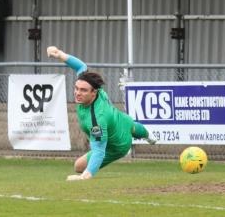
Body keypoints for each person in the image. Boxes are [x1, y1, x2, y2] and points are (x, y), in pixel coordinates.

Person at [46, 46, 157, 181]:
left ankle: (147, 135)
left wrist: (85, 176)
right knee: (78, 166)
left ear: (94, 93)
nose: (77, 93)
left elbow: (99, 150)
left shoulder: (97, 120)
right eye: (76, 88)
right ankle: (146, 134)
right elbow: (81, 66)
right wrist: (60, 54)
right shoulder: (91, 86)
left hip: (117, 146)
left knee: (82, 168)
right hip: (120, 119)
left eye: (83, 90)